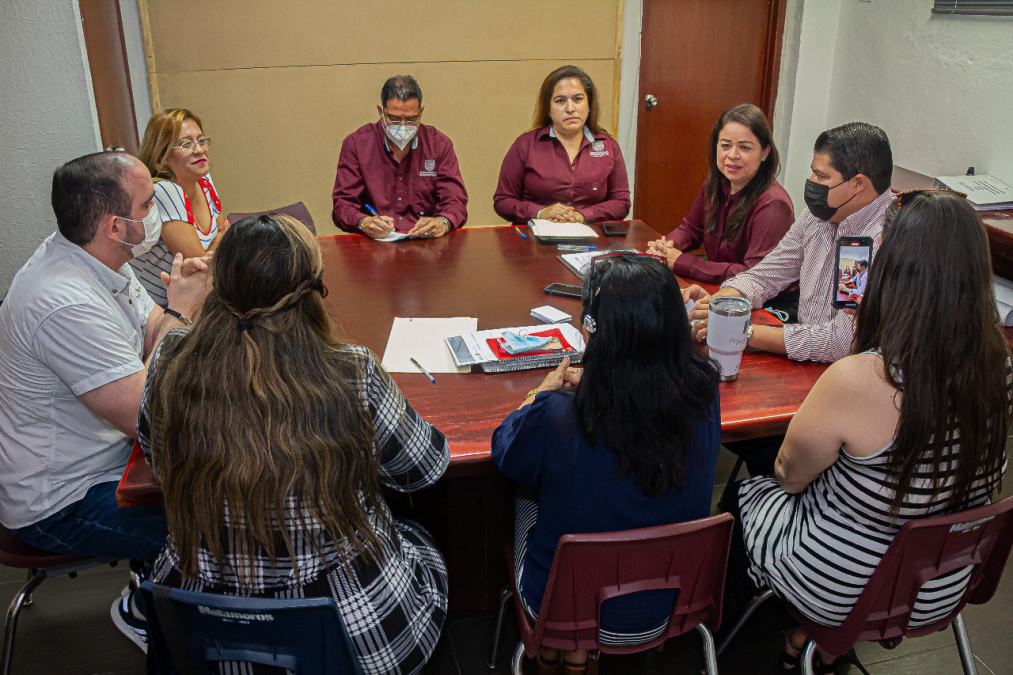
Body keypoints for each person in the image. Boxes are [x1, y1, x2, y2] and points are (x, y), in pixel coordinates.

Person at [139, 214, 451, 674]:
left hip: (207, 633)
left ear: (217, 287)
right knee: (421, 540)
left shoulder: (170, 359)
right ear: (314, 291)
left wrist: (181, 312)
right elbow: (425, 468)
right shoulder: (350, 370)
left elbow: (156, 455)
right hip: (350, 636)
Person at [730, 191, 1010, 669]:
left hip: (845, 585)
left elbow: (788, 476)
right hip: (942, 579)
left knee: (745, 494)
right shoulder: (999, 364)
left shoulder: (862, 376)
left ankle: (750, 638)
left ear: (896, 270)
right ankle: (818, 642)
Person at [0, 151, 209, 650]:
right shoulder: (65, 301)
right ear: (117, 226)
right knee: (222, 519)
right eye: (146, 205)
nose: (156, 212)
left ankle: (160, 585)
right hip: (62, 500)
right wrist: (182, 312)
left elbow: (149, 332)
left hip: (108, 456)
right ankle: (147, 607)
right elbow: (150, 416)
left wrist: (177, 309)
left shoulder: (96, 258)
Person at [492, 254, 720, 674]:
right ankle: (580, 655)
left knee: (527, 489)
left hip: (568, 604)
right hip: (672, 600)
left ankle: (567, 649)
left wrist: (538, 395)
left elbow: (505, 452)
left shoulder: (559, 414)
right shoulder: (704, 391)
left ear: (597, 332)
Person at [685, 122, 894, 364]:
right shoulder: (820, 215)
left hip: (852, 375)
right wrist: (724, 303)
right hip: (806, 361)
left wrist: (743, 331)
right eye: (813, 171)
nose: (811, 181)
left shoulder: (882, 238)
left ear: (858, 184)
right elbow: (767, 275)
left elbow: (842, 341)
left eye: (821, 176)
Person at [647, 104, 793, 283]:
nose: (732, 155)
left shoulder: (773, 204)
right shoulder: (715, 184)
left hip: (761, 301)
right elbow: (691, 228)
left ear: (765, 152)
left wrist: (681, 262)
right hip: (719, 287)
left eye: (745, 147)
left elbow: (753, 275)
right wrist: (667, 246)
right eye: (725, 145)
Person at [331, 75, 468, 239]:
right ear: (381, 112)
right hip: (373, 245)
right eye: (394, 119)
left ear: (421, 112)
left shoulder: (439, 145)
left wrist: (443, 222)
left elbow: (455, 201)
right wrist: (363, 222)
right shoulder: (356, 144)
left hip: (427, 244)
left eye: (411, 119)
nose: (403, 127)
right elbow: (342, 205)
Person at [494, 65, 631, 225]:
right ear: (549, 109)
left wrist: (583, 215)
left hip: (592, 238)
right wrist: (539, 212)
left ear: (589, 105)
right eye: (560, 101)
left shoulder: (608, 146)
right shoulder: (526, 144)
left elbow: (621, 202)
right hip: (535, 238)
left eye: (578, 99)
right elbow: (503, 201)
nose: (570, 108)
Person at [129, 109, 226, 306]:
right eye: (186, 144)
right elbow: (201, 268)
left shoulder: (203, 179)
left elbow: (224, 229)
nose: (199, 150)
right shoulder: (163, 190)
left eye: (201, 140)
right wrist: (220, 243)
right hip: (159, 311)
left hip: (197, 299)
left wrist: (216, 245)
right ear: (161, 155)